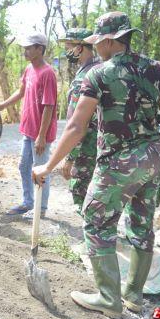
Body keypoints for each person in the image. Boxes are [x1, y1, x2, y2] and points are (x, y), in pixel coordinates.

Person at [32, 12, 160, 319]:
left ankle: (108, 298)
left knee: (95, 220)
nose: (96, 48)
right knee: (142, 224)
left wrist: (48, 166)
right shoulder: (157, 70)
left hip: (119, 162)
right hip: (153, 158)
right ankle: (133, 297)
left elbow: (76, 127)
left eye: (98, 42)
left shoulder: (99, 74)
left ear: (110, 41)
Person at [0, 32, 58, 219]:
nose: (25, 51)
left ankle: (41, 209)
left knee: (40, 170)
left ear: (40, 49)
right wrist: (3, 105)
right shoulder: (29, 69)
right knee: (24, 166)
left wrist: (41, 136)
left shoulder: (47, 74)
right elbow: (21, 91)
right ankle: (28, 202)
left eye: (29, 48)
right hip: (28, 130)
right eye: (25, 48)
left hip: (40, 134)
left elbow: (49, 106)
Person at [58, 28, 100, 216]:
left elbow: (77, 124)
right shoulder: (99, 69)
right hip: (101, 147)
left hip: (86, 150)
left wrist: (69, 157)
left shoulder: (84, 78)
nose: (67, 52)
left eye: (69, 47)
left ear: (80, 48)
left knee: (83, 199)